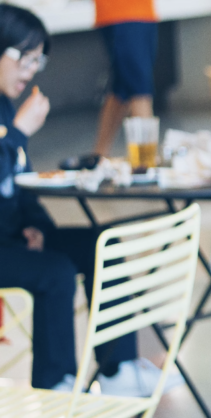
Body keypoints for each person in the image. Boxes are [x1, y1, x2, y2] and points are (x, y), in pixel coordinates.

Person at [0, 5, 179, 396]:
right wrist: (16, 134)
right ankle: (56, 390)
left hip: (10, 237)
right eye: (24, 58)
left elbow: (18, 184)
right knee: (55, 272)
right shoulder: (11, 119)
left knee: (102, 243)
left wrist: (37, 227)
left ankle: (120, 370)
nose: (31, 70)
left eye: (38, 60)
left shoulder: (4, 106)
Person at [92, 0, 157, 157]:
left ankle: (99, 157)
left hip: (142, 12)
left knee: (121, 89)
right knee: (140, 88)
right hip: (123, 13)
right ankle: (146, 162)